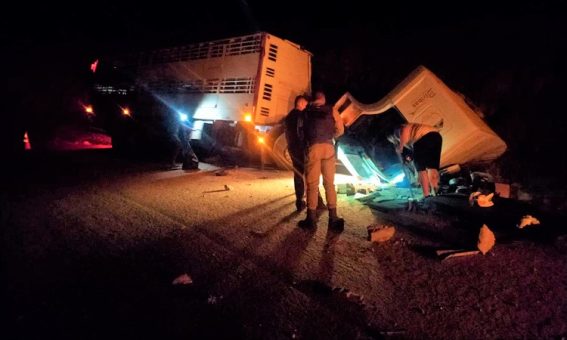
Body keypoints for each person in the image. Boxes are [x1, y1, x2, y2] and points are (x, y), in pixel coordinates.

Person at [299, 91, 345, 231]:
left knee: (312, 184)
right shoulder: (332, 110)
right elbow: (341, 130)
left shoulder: (305, 112)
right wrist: (331, 137)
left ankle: (311, 220)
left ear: (313, 100)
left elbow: (300, 132)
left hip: (313, 147)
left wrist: (307, 144)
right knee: (329, 183)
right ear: (323, 100)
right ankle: (333, 218)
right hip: (328, 147)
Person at [284, 95, 327, 212]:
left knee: (298, 175)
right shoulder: (302, 116)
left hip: (292, 149)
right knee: (311, 176)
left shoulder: (288, 117)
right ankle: (318, 202)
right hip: (302, 150)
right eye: (306, 104)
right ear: (302, 104)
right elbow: (304, 133)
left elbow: (288, 134)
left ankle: (299, 201)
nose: (307, 106)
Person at [387, 123, 442, 197]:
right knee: (432, 168)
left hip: (422, 141)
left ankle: (427, 195)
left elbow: (404, 137)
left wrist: (401, 149)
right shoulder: (410, 128)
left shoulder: (398, 132)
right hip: (436, 137)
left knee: (422, 171)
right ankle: (437, 190)